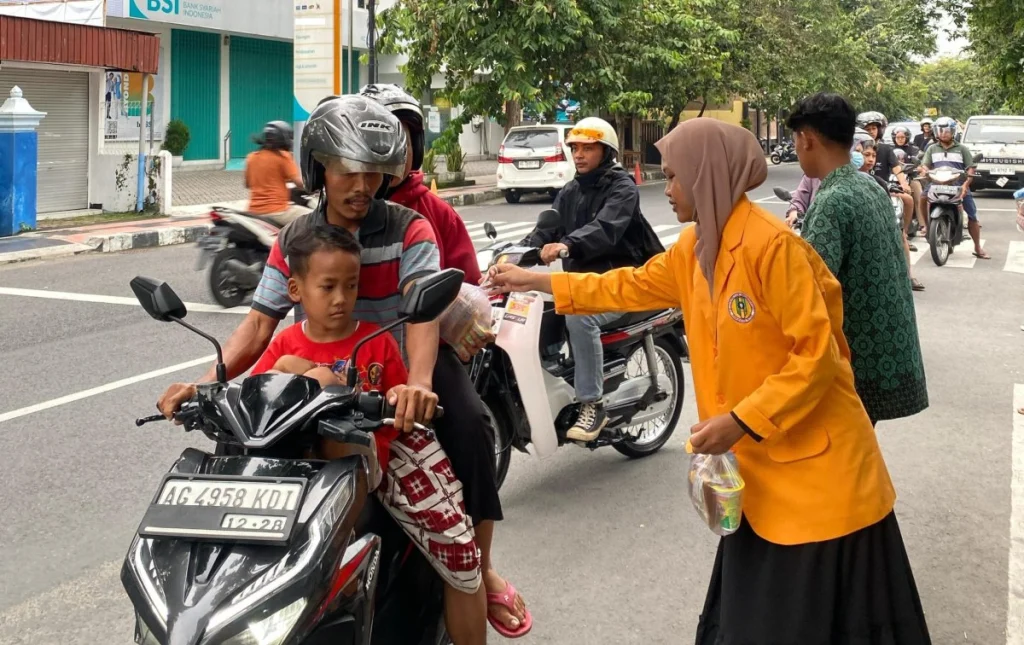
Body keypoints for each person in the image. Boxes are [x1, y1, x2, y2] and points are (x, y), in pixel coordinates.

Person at [484, 118, 931, 645]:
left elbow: (817, 358)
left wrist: (741, 420)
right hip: (757, 474)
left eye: (675, 177)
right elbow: (628, 284)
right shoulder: (696, 246)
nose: (667, 189)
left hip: (820, 475)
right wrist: (535, 279)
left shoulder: (774, 248)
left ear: (708, 176)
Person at [157, 96, 531, 638]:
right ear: (319, 168)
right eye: (348, 171)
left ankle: (481, 564)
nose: (362, 186)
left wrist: (419, 387)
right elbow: (260, 327)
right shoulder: (296, 239)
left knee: (469, 426)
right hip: (321, 372)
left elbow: (421, 314)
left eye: (373, 173)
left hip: (398, 357)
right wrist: (206, 384)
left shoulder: (410, 229)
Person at [247, 224, 487, 644]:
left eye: (351, 285)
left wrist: (404, 394)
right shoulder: (284, 346)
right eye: (328, 287)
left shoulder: (374, 343)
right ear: (296, 289)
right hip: (301, 473)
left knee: (462, 558)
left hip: (372, 462)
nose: (341, 298)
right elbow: (256, 393)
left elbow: (401, 396)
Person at [357, 85, 530, 636]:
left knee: (474, 427)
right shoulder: (333, 211)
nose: (392, 147)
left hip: (419, 355)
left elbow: (458, 293)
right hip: (346, 358)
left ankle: (481, 567)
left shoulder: (430, 213)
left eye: (403, 135)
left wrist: (429, 365)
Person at [517, 116, 664, 442]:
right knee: (536, 312)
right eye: (575, 148)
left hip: (623, 282)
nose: (579, 154)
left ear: (606, 151)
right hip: (583, 284)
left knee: (580, 316)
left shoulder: (622, 187)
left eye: (588, 148)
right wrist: (514, 253)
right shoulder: (570, 191)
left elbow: (607, 228)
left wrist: (568, 244)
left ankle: (591, 403)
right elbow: (546, 229)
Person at [788, 93, 929, 424]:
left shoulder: (831, 201)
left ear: (806, 139)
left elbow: (810, 287)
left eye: (795, 140)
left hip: (857, 362)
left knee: (840, 463)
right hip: (889, 354)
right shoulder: (868, 186)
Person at [359, 84, 487, 358]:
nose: (391, 155)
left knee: (468, 404)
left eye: (401, 144)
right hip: (353, 353)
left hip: (428, 352)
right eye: (379, 144)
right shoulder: (337, 213)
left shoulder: (437, 213)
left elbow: (469, 285)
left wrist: (469, 320)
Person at [920, 116, 989, 259]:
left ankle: (977, 246)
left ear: (953, 132)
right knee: (923, 197)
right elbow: (925, 165)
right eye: (940, 130)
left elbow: (970, 168)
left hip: (958, 184)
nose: (943, 133)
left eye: (946, 131)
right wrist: (924, 171)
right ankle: (926, 225)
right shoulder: (931, 148)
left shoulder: (962, 149)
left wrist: (966, 184)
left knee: (972, 216)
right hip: (936, 183)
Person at [244, 121, 307, 226]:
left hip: (253, 211)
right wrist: (316, 185)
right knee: (316, 218)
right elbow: (300, 184)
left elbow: (247, 184)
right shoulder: (283, 157)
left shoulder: (251, 157)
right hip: (277, 211)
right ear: (284, 138)